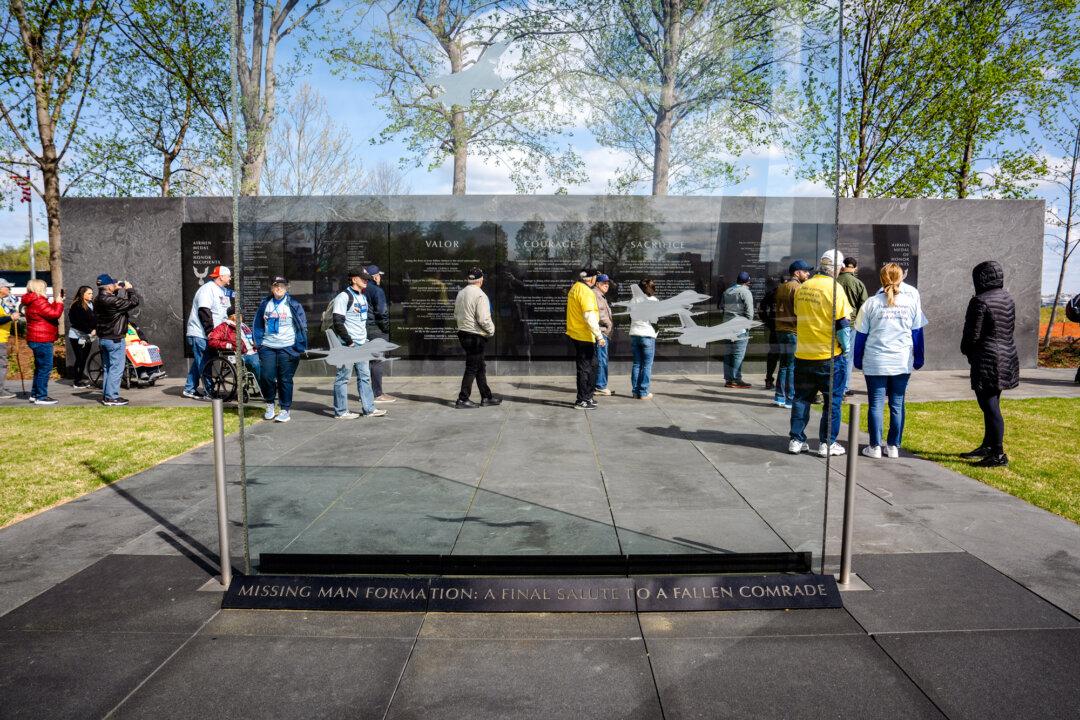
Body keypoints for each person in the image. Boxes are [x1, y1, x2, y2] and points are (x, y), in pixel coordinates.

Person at [854, 263, 928, 459]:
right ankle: (893, 445)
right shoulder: (911, 303)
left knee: (875, 405)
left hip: (876, 360)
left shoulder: (871, 303)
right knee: (897, 404)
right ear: (901, 278)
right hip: (901, 361)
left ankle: (875, 446)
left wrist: (857, 359)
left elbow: (860, 335)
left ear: (882, 279)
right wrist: (919, 358)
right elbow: (918, 334)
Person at [789, 250, 853, 457]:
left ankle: (796, 440)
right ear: (836, 268)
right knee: (832, 402)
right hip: (828, 356)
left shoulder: (804, 287)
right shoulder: (835, 289)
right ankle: (827, 443)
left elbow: (799, 314)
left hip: (803, 354)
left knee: (801, 399)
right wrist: (846, 348)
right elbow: (843, 325)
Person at [960, 260, 1019, 467]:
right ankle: (988, 445)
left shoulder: (979, 301)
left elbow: (972, 335)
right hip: (1007, 355)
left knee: (989, 405)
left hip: (987, 358)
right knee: (993, 403)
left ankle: (998, 453)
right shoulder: (1007, 298)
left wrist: (967, 351)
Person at [330, 270, 386, 419]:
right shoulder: (343, 296)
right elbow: (338, 322)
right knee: (343, 378)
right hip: (347, 345)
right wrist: (349, 342)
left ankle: (369, 409)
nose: (367, 281)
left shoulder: (362, 297)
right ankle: (341, 411)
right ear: (354, 279)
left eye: (368, 279)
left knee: (365, 377)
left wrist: (365, 339)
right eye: (364, 279)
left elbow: (362, 322)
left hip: (362, 344)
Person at [253, 277, 307, 422]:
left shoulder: (293, 304)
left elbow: (302, 326)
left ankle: (285, 409)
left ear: (287, 288)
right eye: (276, 285)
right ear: (271, 287)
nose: (279, 288)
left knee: (285, 379)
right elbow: (258, 324)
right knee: (266, 377)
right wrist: (259, 343)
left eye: (282, 286)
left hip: (287, 347)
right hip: (268, 347)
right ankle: (270, 404)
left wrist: (297, 346)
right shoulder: (265, 303)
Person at [453, 267, 500, 408]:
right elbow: (483, 318)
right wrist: (491, 331)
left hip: (463, 333)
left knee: (480, 366)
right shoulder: (480, 295)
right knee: (472, 367)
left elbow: (456, 314)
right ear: (481, 280)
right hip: (475, 336)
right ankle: (462, 399)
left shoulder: (461, 293)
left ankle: (486, 397)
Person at [184, 265, 232, 400]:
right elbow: (204, 311)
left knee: (201, 361)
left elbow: (226, 313)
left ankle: (189, 388)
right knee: (205, 363)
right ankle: (209, 392)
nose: (230, 278)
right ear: (221, 276)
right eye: (228, 276)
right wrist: (210, 332)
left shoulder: (223, 291)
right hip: (201, 333)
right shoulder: (206, 290)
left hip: (213, 334)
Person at [95, 275, 140, 406]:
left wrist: (116, 289)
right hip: (114, 339)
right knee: (116, 368)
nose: (115, 286)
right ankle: (111, 397)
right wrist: (130, 289)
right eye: (113, 285)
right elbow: (134, 302)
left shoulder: (97, 299)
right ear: (109, 287)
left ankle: (106, 396)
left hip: (103, 338)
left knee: (108, 368)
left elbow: (113, 301)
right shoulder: (112, 301)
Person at [565, 267, 606, 409]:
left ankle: (588, 397)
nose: (597, 279)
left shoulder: (575, 287)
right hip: (584, 335)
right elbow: (589, 316)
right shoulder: (586, 292)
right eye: (596, 277)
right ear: (591, 278)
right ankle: (582, 400)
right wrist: (599, 336)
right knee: (585, 368)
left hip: (578, 334)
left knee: (592, 365)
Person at [774, 260, 812, 408]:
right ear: (797, 273)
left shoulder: (781, 287)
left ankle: (779, 396)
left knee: (784, 365)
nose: (808, 273)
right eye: (805, 271)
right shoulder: (798, 288)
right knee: (791, 366)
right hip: (792, 331)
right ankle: (790, 398)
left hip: (780, 330)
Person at [21, 278, 65, 405]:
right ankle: (41, 396)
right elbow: (54, 314)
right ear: (39, 288)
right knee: (45, 368)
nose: (46, 289)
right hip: (42, 338)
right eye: (44, 287)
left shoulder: (32, 301)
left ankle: (35, 394)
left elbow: (47, 312)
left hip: (35, 338)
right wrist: (59, 303)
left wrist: (56, 302)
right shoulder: (39, 300)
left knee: (40, 368)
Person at [363, 264, 395, 404]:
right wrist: (386, 328)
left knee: (365, 362)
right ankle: (377, 394)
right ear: (374, 276)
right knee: (377, 362)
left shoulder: (360, 289)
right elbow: (382, 312)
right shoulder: (376, 290)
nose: (380, 277)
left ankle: (366, 393)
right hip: (376, 330)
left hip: (363, 329)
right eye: (379, 275)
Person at [837, 256, 869, 397]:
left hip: (831, 324)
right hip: (850, 325)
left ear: (842, 266)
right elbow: (864, 306)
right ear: (855, 268)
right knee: (847, 357)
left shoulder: (834, 282)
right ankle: (843, 387)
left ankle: (831, 385)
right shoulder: (858, 283)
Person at [720, 271, 754, 389]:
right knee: (738, 354)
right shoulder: (745, 292)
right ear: (747, 282)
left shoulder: (727, 291)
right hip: (740, 327)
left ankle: (729, 379)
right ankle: (736, 379)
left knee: (728, 353)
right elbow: (750, 311)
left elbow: (721, 307)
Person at [630, 278, 659, 400]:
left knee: (637, 364)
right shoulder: (654, 301)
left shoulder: (634, 300)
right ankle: (644, 392)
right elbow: (655, 320)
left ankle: (635, 392)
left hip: (635, 334)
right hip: (647, 335)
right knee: (647, 365)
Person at [67, 286, 96, 389]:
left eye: (92, 293)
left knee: (83, 359)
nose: (91, 295)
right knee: (79, 358)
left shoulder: (91, 304)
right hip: (76, 336)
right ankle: (77, 381)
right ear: (82, 294)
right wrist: (89, 330)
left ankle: (79, 379)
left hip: (88, 336)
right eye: (89, 293)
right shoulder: (77, 305)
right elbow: (77, 321)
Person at [593, 274, 615, 396]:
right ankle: (600, 386)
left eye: (607, 283)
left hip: (602, 332)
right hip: (601, 332)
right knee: (602, 360)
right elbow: (600, 314)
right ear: (597, 284)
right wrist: (608, 325)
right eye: (603, 283)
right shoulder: (597, 295)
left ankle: (599, 385)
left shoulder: (600, 295)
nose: (606, 285)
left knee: (601, 359)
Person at [0, 278, 21, 400]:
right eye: (6, 287)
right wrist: (10, 318)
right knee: (2, 365)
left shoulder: (2, 302)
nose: (9, 289)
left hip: (2, 337)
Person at [759, 273, 780, 390]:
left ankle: (769, 379)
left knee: (773, 354)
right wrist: (768, 322)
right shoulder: (773, 294)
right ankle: (771, 380)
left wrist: (768, 322)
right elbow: (761, 309)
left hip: (775, 328)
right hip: (780, 328)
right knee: (781, 356)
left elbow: (761, 309)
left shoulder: (772, 293)